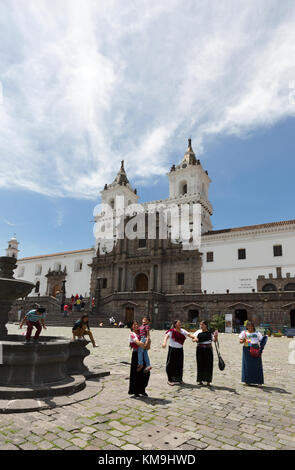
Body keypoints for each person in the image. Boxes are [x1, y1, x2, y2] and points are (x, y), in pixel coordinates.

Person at [162, 320, 194, 386]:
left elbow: (190, 335)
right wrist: (164, 343)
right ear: (175, 324)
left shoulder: (183, 331)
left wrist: (195, 337)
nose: (180, 324)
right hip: (172, 349)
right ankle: (170, 379)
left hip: (180, 350)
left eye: (180, 323)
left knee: (179, 364)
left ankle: (179, 379)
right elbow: (166, 337)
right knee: (170, 364)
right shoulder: (171, 331)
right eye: (178, 323)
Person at [239, 321, 265, 386]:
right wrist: (244, 340)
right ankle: (247, 381)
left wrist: (261, 348)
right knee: (247, 366)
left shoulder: (257, 333)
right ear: (247, 327)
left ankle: (259, 381)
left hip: (255, 348)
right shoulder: (244, 333)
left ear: (253, 326)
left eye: (251, 326)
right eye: (248, 326)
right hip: (247, 349)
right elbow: (240, 341)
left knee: (257, 366)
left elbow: (262, 340)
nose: (250, 327)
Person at [128, 321, 150, 397]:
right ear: (132, 326)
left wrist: (147, 342)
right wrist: (146, 344)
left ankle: (142, 389)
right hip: (136, 355)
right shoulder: (132, 334)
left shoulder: (142, 334)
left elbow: (148, 346)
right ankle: (136, 390)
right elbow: (139, 343)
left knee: (145, 373)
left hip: (143, 354)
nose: (136, 325)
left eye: (137, 324)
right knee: (136, 373)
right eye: (134, 324)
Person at [192, 320, 218, 386]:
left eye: (202, 324)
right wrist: (195, 339)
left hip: (208, 349)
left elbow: (214, 340)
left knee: (208, 365)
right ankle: (200, 380)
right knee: (200, 364)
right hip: (200, 349)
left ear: (206, 325)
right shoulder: (198, 332)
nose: (201, 326)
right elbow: (193, 339)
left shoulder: (209, 333)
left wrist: (216, 336)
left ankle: (208, 380)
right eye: (200, 324)